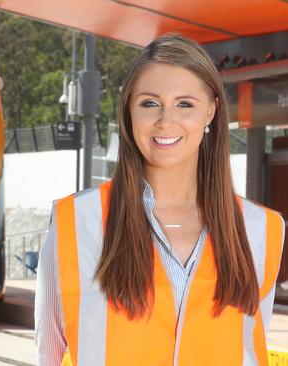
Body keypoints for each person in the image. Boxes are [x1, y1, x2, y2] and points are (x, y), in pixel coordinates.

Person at [35, 34, 285, 366]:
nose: (165, 120)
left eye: (185, 104)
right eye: (150, 103)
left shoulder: (263, 229)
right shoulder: (76, 221)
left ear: (210, 110)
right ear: (129, 111)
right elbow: (48, 356)